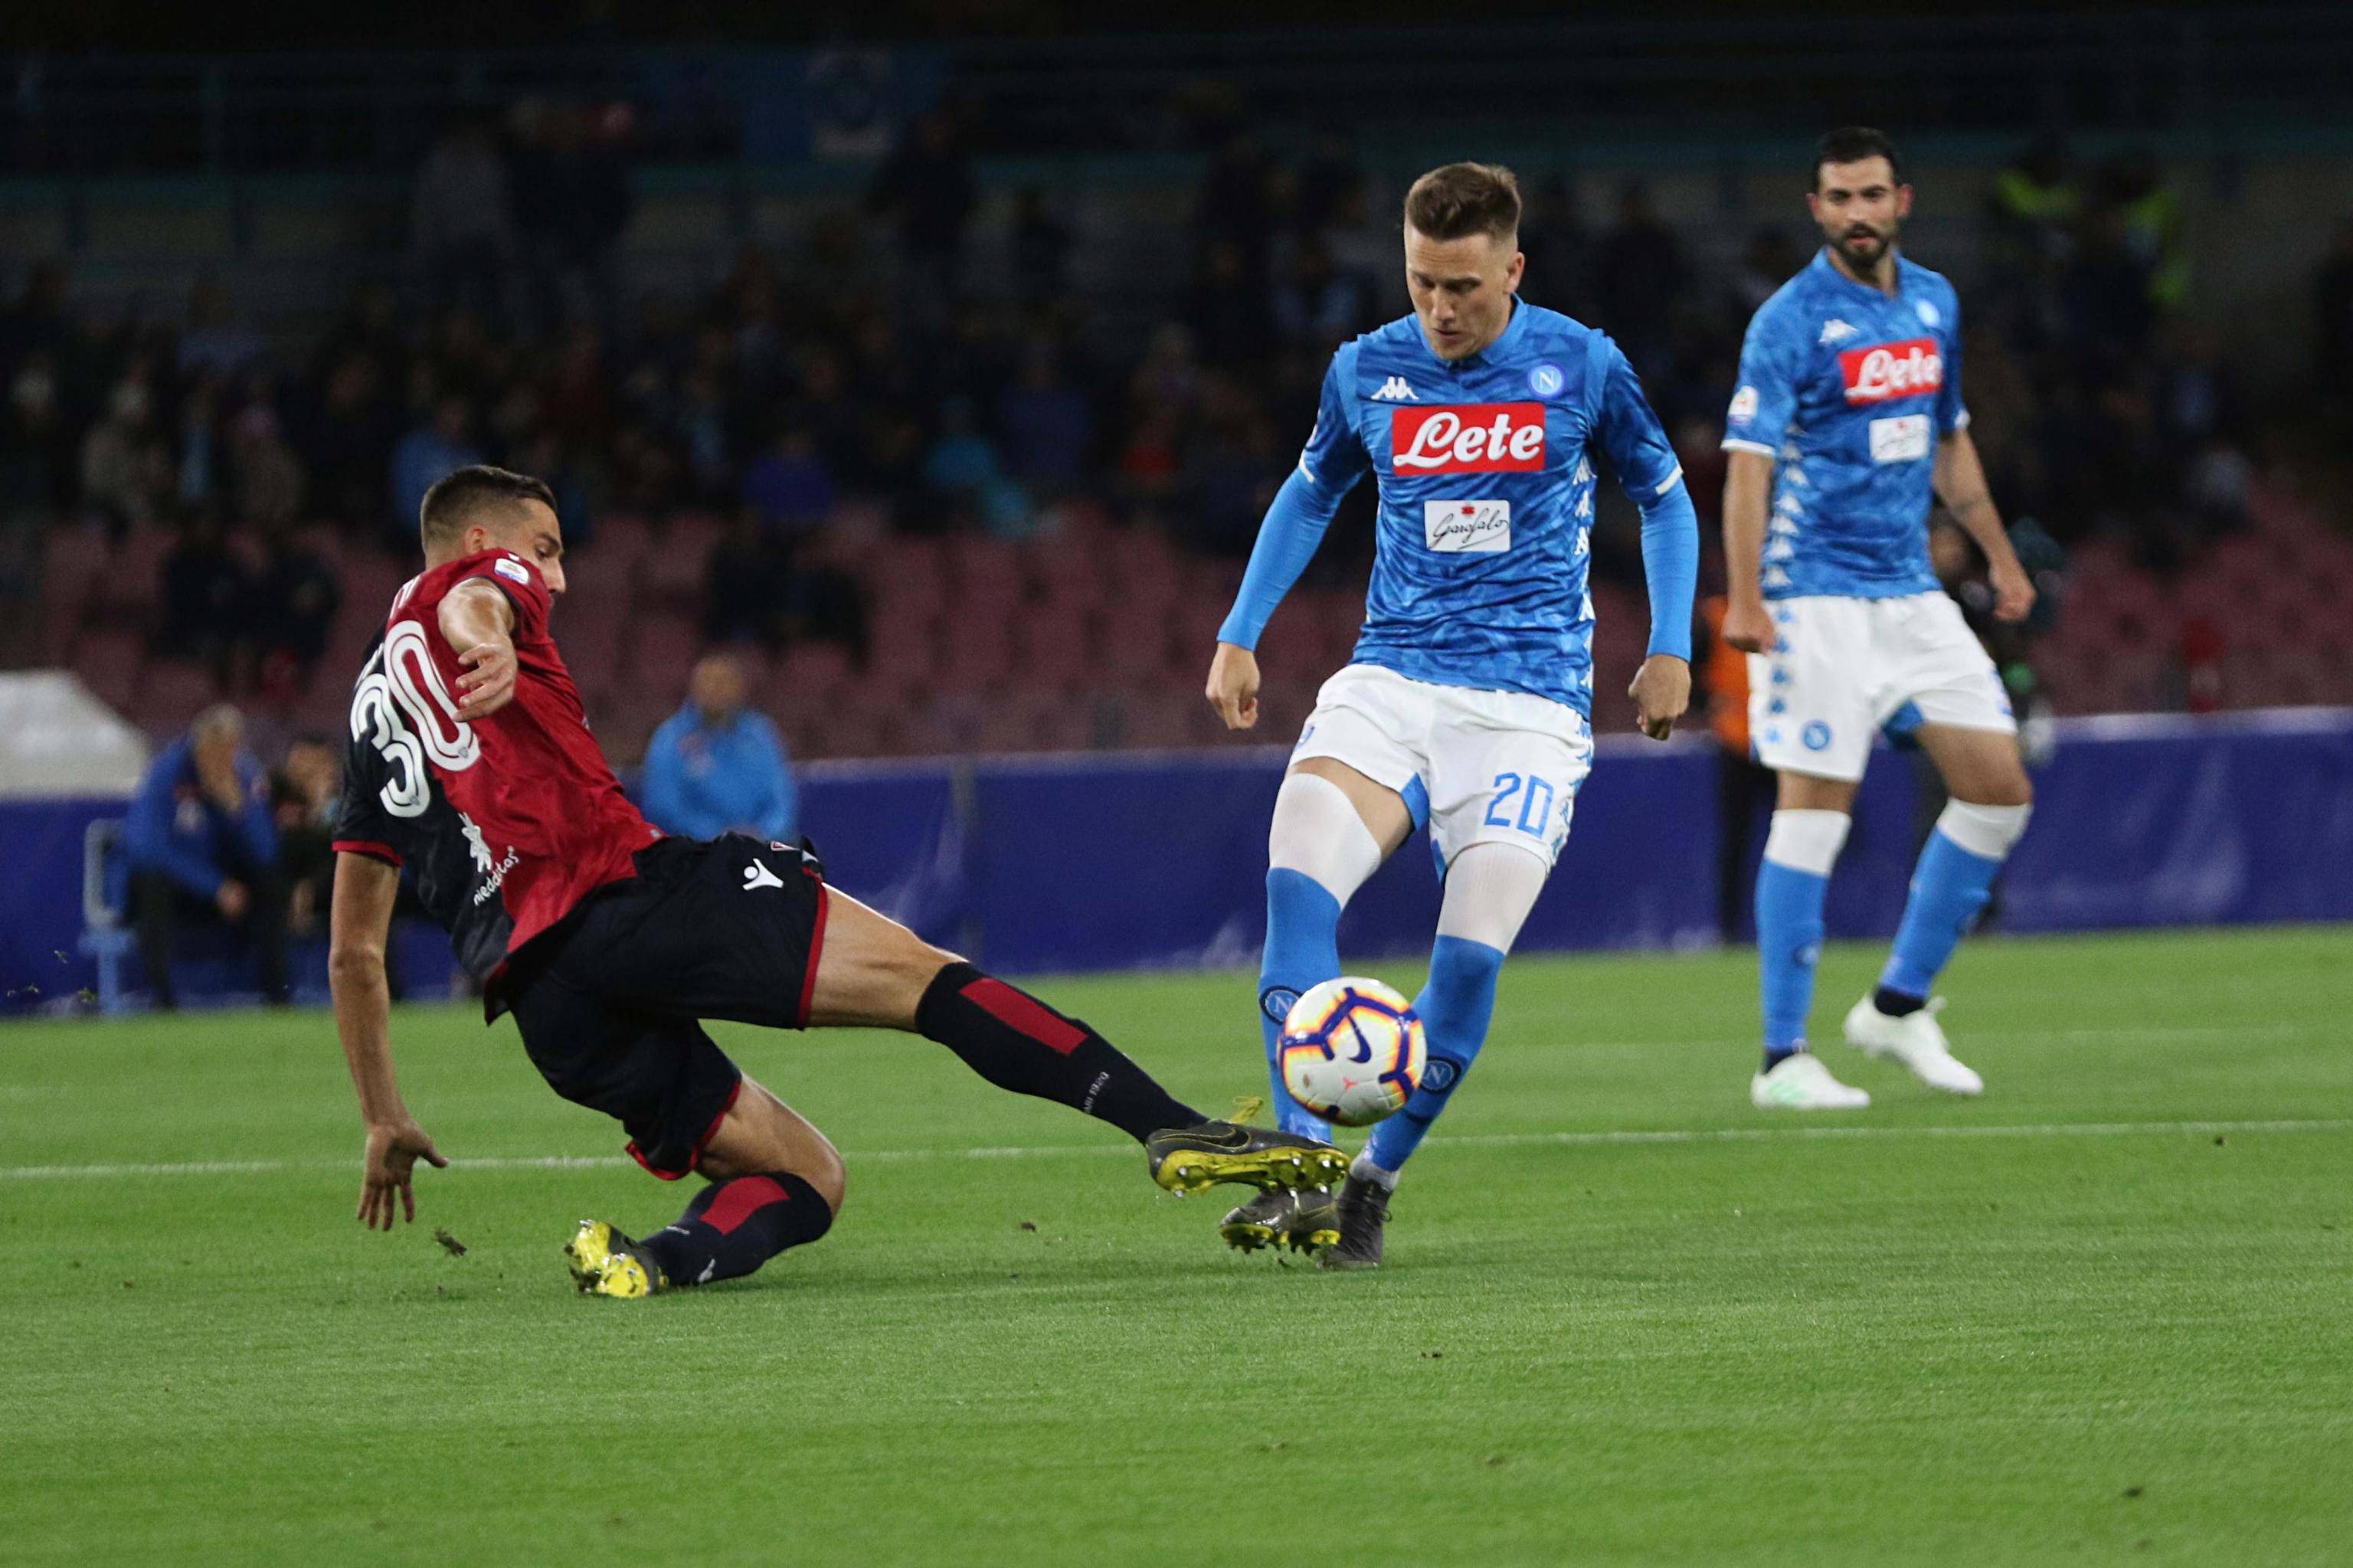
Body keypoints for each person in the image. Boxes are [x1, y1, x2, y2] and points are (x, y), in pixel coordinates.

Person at [330, 465, 1343, 1298]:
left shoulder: (369, 726)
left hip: (545, 1001)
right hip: (631, 896)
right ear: (482, 540)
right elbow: (467, 601)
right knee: (931, 981)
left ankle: (649, 1262)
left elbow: (353, 952)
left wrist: (383, 1113)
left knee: (810, 1175)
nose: (555, 578)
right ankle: (1165, 1123)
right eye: (546, 550)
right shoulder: (473, 588)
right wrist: (489, 642)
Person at [1203, 163, 1700, 1268]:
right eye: (1422, 282)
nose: (1440, 307)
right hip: (1391, 679)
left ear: (1513, 270)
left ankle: (1370, 1179)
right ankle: (1300, 1163)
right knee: (1295, 885)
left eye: (1464, 286)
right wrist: (1241, 629)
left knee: (1468, 967)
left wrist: (1671, 645)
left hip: (1529, 706)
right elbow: (1312, 490)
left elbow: (1665, 499)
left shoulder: (1584, 362)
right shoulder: (1364, 369)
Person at [1719, 128, 2036, 1111]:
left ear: (1902, 200)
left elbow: (1950, 439)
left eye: (1871, 195)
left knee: (1998, 790)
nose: (1856, 213)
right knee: (1814, 811)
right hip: (1813, 595)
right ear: (1817, 209)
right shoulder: (1788, 320)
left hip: (1909, 591)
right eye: (1838, 197)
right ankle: (1782, 1058)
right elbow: (1748, 468)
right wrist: (1746, 597)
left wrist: (1998, 554)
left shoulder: (1935, 301)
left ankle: (1897, 1005)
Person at [125, 703, 288, 1009]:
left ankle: (278, 996)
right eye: (216, 749)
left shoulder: (244, 774)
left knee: (271, 882)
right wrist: (214, 886)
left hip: (227, 890)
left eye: (230, 749)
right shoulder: (166, 773)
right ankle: (164, 1002)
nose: (223, 758)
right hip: (181, 887)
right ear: (199, 744)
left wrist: (238, 810)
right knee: (151, 883)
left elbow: (266, 852)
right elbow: (148, 848)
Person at [640, 653, 797, 845]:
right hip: (695, 849)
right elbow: (663, 808)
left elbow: (781, 799)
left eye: (725, 681)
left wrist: (763, 834)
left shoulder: (761, 733)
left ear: (740, 688)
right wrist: (718, 836)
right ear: (693, 687)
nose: (716, 688)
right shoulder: (669, 739)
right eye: (708, 681)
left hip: (759, 845)